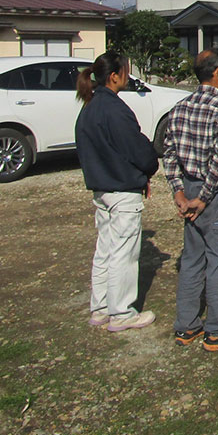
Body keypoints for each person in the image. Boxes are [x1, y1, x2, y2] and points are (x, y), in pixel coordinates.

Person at [163, 48, 218, 352]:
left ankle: (186, 326)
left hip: (189, 187)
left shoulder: (179, 108)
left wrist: (179, 191)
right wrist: (203, 197)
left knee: (192, 258)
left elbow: (170, 154)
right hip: (215, 194)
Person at [75, 51, 160, 332]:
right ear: (114, 76)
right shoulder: (115, 109)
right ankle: (122, 312)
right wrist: (150, 161)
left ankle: (100, 307)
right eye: (125, 70)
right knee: (124, 253)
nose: (127, 75)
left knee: (105, 250)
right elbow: (136, 149)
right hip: (122, 188)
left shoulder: (89, 107)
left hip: (101, 187)